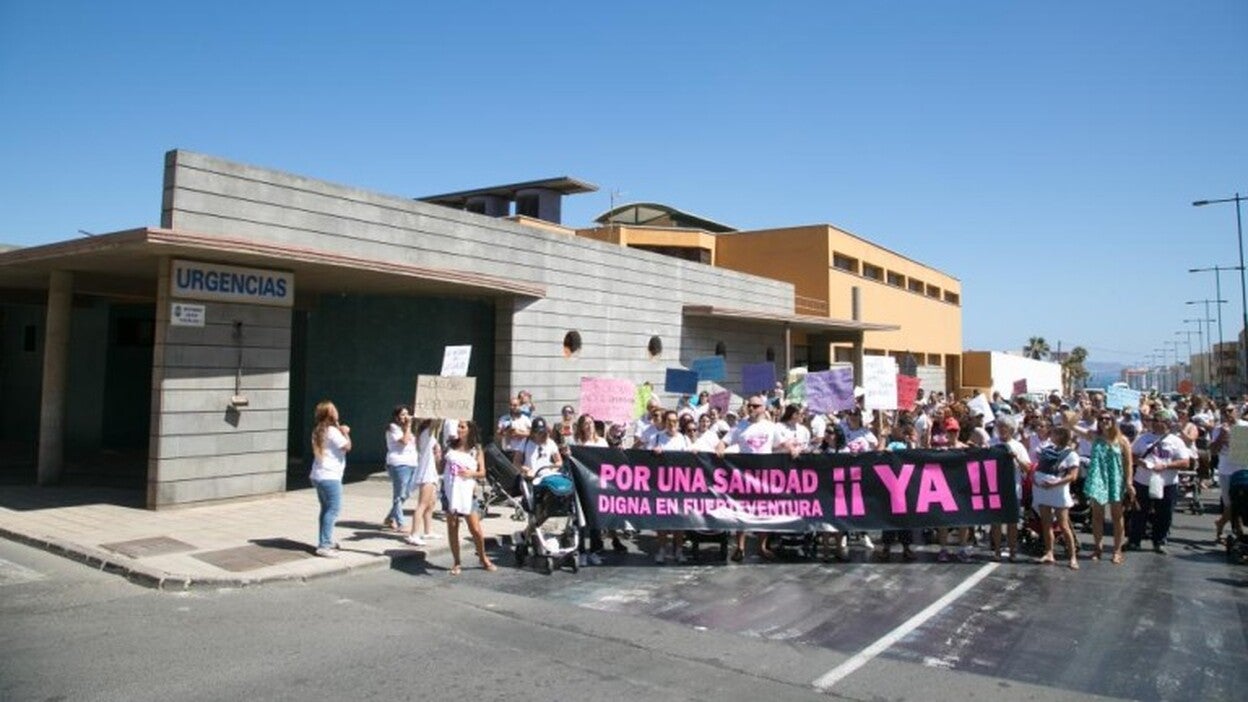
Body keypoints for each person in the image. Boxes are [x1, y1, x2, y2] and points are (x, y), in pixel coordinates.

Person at [716, 394, 785, 561]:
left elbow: (782, 444)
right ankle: (740, 547)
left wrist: (793, 449)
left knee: (764, 512)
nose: (752, 408)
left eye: (755, 406)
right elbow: (724, 442)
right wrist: (720, 448)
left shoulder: (771, 426)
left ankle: (762, 547)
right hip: (744, 476)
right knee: (742, 511)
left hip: (765, 477)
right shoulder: (740, 426)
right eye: (750, 406)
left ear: (763, 408)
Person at [442, 420, 497, 575]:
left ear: (469, 430)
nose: (458, 429)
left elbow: (482, 472)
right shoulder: (450, 446)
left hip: (467, 492)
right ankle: (456, 562)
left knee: (475, 528)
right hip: (450, 490)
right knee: (453, 526)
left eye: (462, 427)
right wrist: (438, 456)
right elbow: (441, 467)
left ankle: (483, 557)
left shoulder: (476, 449)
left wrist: (471, 473)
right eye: (457, 426)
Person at [1129, 409, 1187, 554]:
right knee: (1138, 512)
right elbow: (1131, 455)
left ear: (1167, 423)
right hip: (1143, 481)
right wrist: (1141, 462)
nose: (1154, 424)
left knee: (1164, 513)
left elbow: (1185, 462)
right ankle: (1134, 540)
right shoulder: (1143, 438)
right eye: (1153, 421)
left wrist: (1166, 465)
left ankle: (1159, 541)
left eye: (1158, 421)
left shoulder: (1175, 441)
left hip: (1166, 482)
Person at [1084, 411, 1135, 564]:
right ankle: (1097, 548)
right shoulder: (1094, 436)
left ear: (1113, 421)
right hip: (1099, 479)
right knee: (1097, 515)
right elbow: (1070, 426)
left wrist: (1129, 482)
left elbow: (1128, 463)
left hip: (1115, 480)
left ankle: (1117, 550)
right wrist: (1082, 410)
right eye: (1101, 419)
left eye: (1108, 418)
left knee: (1117, 516)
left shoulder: (1122, 440)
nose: (1104, 421)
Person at [1033, 426, 1081, 569]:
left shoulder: (1071, 454)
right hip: (1042, 490)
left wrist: (1055, 483)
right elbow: (1039, 466)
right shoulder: (1047, 449)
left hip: (1058, 492)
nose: (1051, 435)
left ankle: (1072, 557)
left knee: (1063, 525)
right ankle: (1049, 553)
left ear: (1060, 435)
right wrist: (1035, 479)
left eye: (1053, 433)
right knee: (1046, 524)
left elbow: (1073, 476)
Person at [310, 400, 351, 558]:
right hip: (330, 476)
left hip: (318, 475)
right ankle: (324, 545)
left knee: (325, 509)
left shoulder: (318, 430)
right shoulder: (333, 431)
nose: (336, 411)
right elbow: (347, 447)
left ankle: (325, 540)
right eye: (333, 409)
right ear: (329, 415)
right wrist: (345, 432)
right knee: (333, 510)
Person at [650, 409, 692, 563]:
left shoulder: (684, 439)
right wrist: (653, 452)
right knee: (662, 519)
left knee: (679, 519)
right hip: (661, 486)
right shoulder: (656, 438)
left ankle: (678, 550)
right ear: (664, 422)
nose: (672, 424)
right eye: (669, 421)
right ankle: (662, 549)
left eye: (675, 421)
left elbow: (691, 460)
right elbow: (645, 459)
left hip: (679, 486)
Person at [989, 415, 1030, 562]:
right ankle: (997, 550)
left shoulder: (1018, 446)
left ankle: (1013, 550)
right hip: (995, 488)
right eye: (999, 426)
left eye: (1004, 427)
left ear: (1011, 430)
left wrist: (1016, 457)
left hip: (1013, 489)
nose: (1001, 430)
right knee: (996, 522)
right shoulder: (991, 443)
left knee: (1012, 522)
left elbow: (1028, 468)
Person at [404, 417, 443, 547]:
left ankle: (428, 530)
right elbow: (436, 422)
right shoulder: (426, 433)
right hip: (426, 473)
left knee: (431, 503)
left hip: (431, 472)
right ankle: (413, 534)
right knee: (423, 504)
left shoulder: (429, 434)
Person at [382, 405, 418, 533]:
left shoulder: (407, 429)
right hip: (399, 464)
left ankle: (390, 517)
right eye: (403, 414)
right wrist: (408, 426)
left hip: (411, 463)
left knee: (407, 493)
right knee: (399, 494)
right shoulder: (393, 428)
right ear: (396, 417)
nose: (406, 417)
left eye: (407, 414)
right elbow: (404, 441)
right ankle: (400, 522)